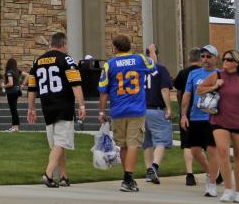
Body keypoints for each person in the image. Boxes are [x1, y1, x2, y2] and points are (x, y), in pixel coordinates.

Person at [197, 48, 239, 203]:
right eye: (225, 59)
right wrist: (214, 86)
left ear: (237, 63)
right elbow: (199, 90)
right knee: (223, 154)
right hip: (219, 121)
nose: (226, 62)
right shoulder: (217, 75)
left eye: (229, 60)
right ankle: (227, 189)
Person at [98, 35, 158, 193]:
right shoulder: (140, 59)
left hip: (118, 109)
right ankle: (128, 178)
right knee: (133, 144)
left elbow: (103, 91)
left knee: (123, 145)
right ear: (129, 46)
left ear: (115, 48)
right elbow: (154, 67)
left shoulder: (109, 65)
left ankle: (127, 178)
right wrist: (152, 51)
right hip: (136, 108)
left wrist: (102, 111)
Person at [28, 32, 85, 188]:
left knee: (58, 144)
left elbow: (32, 87)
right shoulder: (66, 59)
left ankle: (64, 177)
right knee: (61, 142)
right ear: (63, 44)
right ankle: (48, 174)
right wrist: (82, 105)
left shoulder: (37, 61)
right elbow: (75, 84)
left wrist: (31, 108)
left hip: (47, 106)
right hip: (63, 105)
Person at [181, 44, 222, 198]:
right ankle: (211, 172)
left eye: (208, 56)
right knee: (195, 151)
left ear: (215, 59)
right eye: (203, 56)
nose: (205, 59)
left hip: (214, 118)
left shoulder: (221, 74)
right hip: (195, 116)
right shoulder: (194, 74)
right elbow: (186, 95)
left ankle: (211, 184)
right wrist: (184, 115)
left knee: (212, 150)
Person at [173, 47, 205, 186]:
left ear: (189, 58)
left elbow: (179, 93)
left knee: (187, 144)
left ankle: (189, 174)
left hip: (186, 113)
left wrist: (182, 110)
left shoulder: (183, 73)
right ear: (201, 58)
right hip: (203, 112)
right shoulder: (205, 73)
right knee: (207, 145)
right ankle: (215, 173)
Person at [142, 46, 173, 185]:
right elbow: (165, 89)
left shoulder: (139, 70)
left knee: (146, 142)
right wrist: (169, 108)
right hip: (156, 109)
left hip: (140, 110)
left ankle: (148, 170)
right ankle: (154, 167)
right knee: (162, 140)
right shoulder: (161, 69)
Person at [2, 57, 25, 132]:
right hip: (17, 91)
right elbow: (27, 75)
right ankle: (14, 126)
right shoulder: (17, 71)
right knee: (14, 109)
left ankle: (16, 127)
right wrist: (22, 85)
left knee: (13, 110)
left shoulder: (9, 72)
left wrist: (3, 86)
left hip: (11, 92)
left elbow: (10, 83)